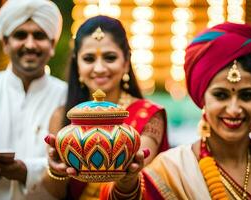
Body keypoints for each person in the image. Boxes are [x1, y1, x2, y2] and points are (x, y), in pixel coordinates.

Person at [100, 22, 251, 200]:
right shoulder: (171, 170)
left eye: (247, 95)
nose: (234, 109)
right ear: (202, 98)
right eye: (220, 95)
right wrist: (126, 184)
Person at [33, 15, 169, 200]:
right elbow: (53, 194)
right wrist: (56, 171)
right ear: (77, 65)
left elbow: (133, 185)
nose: (99, 68)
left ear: (126, 62)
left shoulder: (149, 115)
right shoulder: (63, 116)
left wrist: (127, 178)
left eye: (110, 58)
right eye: (89, 59)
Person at [0, 0, 67, 199]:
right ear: (5, 43)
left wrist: (25, 171)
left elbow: (73, 167)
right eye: (20, 35)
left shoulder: (66, 96)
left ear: (52, 44)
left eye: (39, 36)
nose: (30, 45)